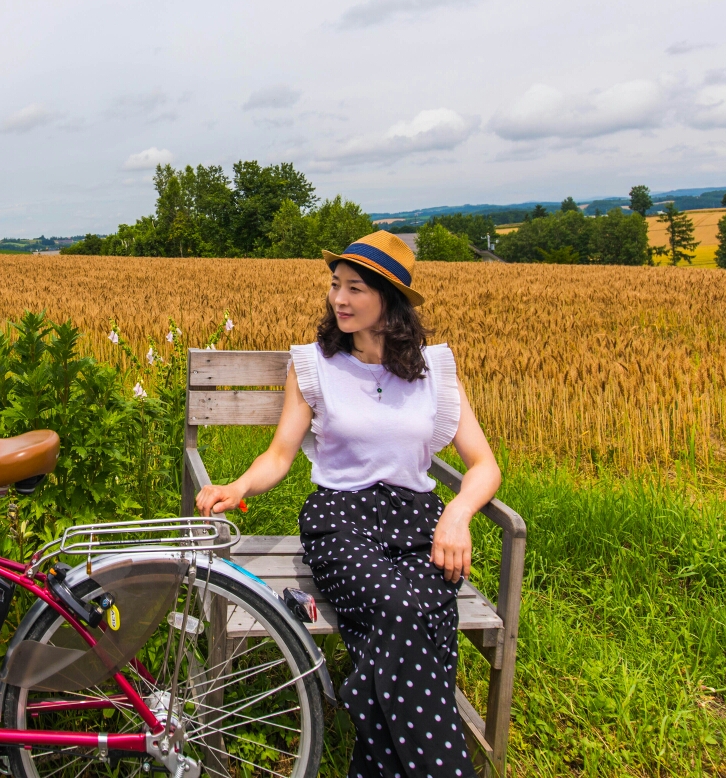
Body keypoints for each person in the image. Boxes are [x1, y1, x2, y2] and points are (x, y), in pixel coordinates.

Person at [195, 230, 500, 778]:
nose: (339, 299)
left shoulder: (436, 372)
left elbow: (485, 467)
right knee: (409, 613)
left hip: (421, 524)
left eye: (355, 288)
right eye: (335, 286)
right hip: (342, 523)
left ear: (389, 299)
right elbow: (280, 454)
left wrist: (457, 515)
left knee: (423, 618)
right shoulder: (314, 365)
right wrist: (237, 487)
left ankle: (371, 745)